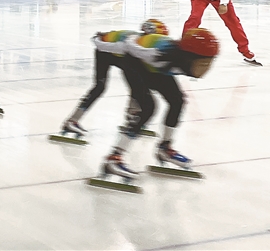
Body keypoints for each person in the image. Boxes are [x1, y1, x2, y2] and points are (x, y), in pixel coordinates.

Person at [94, 27, 219, 183]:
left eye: (210, 63)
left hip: (155, 68)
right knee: (148, 108)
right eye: (203, 63)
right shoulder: (157, 53)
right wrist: (101, 41)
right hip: (133, 61)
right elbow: (128, 44)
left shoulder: (178, 61)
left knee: (177, 101)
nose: (206, 69)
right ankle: (113, 159)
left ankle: (165, 149)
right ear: (188, 58)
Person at [56, 20, 169, 141]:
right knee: (100, 87)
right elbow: (105, 43)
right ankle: (72, 121)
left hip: (114, 52)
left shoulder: (141, 42)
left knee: (137, 81)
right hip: (106, 51)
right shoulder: (134, 43)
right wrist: (100, 38)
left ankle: (132, 116)